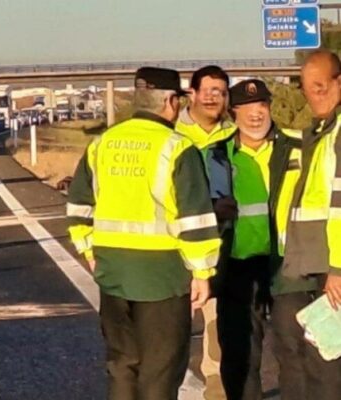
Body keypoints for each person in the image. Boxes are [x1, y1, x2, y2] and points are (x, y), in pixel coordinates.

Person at [67, 67, 220, 399]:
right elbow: (194, 218)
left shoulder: (102, 143)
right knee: (160, 371)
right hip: (162, 277)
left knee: (122, 365)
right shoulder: (178, 147)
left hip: (113, 273)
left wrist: (90, 252)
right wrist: (202, 272)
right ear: (169, 102)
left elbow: (79, 206)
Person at [206, 79, 296, 400]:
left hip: (289, 267)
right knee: (240, 357)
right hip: (237, 269)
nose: (256, 115)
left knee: (298, 355)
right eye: (247, 108)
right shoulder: (215, 156)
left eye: (262, 106)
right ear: (234, 113)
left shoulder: (298, 148)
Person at [272, 50, 341, 399]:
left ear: (338, 83)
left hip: (331, 266)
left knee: (327, 360)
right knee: (318, 355)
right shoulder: (323, 130)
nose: (313, 96)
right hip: (311, 263)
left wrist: (338, 268)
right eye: (307, 89)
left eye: (320, 87)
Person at [175, 65, 237, 400]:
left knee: (218, 343)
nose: (214, 98)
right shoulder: (172, 135)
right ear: (193, 93)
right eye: (208, 90)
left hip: (222, 250)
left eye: (221, 92)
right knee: (168, 342)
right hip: (175, 253)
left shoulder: (234, 135)